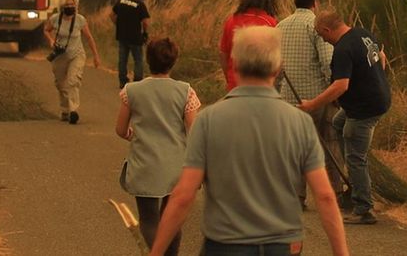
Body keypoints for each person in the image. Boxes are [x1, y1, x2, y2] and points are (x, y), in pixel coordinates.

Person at [148, 26, 351, 256]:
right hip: (281, 245)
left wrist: (156, 252)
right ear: (277, 67)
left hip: (225, 245)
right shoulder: (299, 123)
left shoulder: (208, 120)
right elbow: (324, 196)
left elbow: (183, 196)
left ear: (234, 64)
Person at [300, 11, 391, 225]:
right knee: (338, 122)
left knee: (356, 157)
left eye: (321, 35)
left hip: (364, 109)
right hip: (377, 100)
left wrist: (312, 104)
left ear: (326, 30)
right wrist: (375, 81)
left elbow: (340, 85)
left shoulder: (342, 49)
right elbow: (382, 58)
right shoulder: (363, 34)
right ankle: (354, 183)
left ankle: (363, 208)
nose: (322, 39)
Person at [115, 37, 200, 256]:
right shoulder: (186, 91)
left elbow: (120, 128)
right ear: (173, 62)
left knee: (149, 219)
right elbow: (195, 132)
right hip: (176, 165)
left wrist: (132, 135)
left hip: (144, 164)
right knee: (172, 220)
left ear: (147, 60)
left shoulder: (131, 91)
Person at [276, 0, 346, 207]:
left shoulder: (280, 26)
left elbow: (276, 68)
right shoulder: (316, 26)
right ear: (315, 3)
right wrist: (333, 92)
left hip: (289, 99)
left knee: (295, 148)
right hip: (318, 97)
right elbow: (327, 63)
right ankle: (335, 192)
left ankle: (297, 196)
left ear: (294, 1)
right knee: (330, 141)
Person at [43, 0, 103, 124]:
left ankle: (73, 110)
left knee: (73, 81)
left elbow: (89, 38)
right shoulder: (55, 19)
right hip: (59, 56)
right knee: (60, 84)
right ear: (62, 7)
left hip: (76, 55)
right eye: (67, 5)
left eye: (72, 5)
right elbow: (46, 30)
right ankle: (65, 109)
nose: (70, 7)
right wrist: (51, 40)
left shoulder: (80, 20)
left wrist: (96, 56)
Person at [219, 0, 279, 92]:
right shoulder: (270, 23)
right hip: (263, 87)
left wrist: (230, 79)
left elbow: (223, 55)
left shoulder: (231, 21)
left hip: (235, 84)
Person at [111, 0, 151, 89]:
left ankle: (122, 81)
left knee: (122, 59)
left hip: (122, 35)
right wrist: (145, 33)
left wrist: (117, 24)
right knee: (138, 60)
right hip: (135, 37)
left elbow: (112, 15)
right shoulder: (140, 4)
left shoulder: (121, 1)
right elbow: (146, 21)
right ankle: (137, 81)